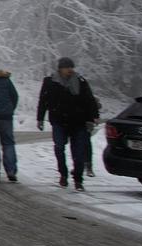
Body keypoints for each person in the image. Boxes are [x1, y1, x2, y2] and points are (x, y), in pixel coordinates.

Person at [37, 56, 101, 190]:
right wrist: (40, 118)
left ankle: (78, 179)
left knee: (78, 152)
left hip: (78, 121)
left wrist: (93, 117)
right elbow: (43, 100)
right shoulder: (50, 82)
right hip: (59, 120)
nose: (70, 70)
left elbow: (89, 99)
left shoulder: (80, 81)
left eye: (72, 67)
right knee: (59, 147)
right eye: (67, 68)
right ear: (60, 69)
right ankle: (63, 174)